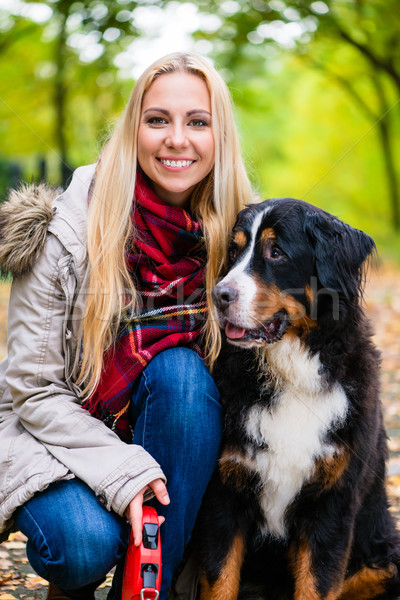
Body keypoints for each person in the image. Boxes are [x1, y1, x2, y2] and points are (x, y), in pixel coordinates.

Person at [0, 52, 253, 600]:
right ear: (133, 128)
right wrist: (127, 471)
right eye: (158, 119)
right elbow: (32, 390)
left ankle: (147, 591)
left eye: (198, 121)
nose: (176, 139)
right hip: (55, 437)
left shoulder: (238, 243)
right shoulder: (65, 230)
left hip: (170, 432)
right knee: (84, 545)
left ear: (220, 136)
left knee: (185, 376)